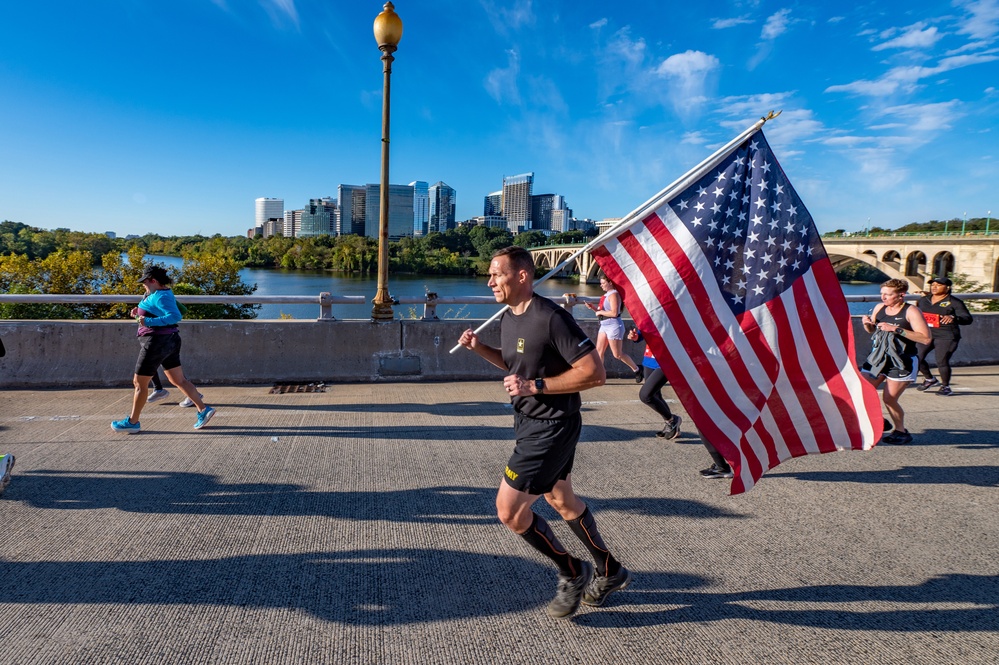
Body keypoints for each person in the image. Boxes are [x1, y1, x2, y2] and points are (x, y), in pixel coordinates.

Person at [458, 246, 631, 618]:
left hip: (552, 427)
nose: (490, 281)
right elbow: (516, 363)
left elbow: (595, 373)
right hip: (528, 421)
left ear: (521, 276)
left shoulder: (551, 318)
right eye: (489, 275)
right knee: (562, 501)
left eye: (497, 274)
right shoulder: (508, 315)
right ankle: (610, 569)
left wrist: (535, 387)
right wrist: (480, 348)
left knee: (509, 511)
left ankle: (572, 571)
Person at [112, 265, 216, 434]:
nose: (143, 286)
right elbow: (158, 311)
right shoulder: (161, 294)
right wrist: (138, 312)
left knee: (139, 384)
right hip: (168, 341)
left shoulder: (160, 295)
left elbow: (175, 316)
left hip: (156, 342)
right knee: (178, 380)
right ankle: (203, 410)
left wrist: (148, 322)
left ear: (153, 281)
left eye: (145, 283)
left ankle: (133, 422)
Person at [860, 278, 931, 445]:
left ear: (901, 295)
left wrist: (896, 329)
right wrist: (867, 324)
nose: (883, 298)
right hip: (878, 358)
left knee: (889, 399)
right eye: (882, 294)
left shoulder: (911, 311)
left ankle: (901, 431)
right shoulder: (880, 308)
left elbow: (925, 338)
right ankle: (877, 420)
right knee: (861, 392)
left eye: (888, 294)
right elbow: (873, 331)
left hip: (901, 361)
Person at [915, 276, 973, 397]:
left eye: (938, 285)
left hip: (947, 336)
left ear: (947, 288)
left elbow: (968, 319)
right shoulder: (924, 300)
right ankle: (930, 379)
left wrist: (954, 318)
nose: (934, 287)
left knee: (941, 361)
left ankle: (945, 387)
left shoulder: (954, 302)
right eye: (932, 285)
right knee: (916, 358)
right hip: (927, 334)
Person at [626, 327, 681, 439]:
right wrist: (636, 336)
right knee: (655, 395)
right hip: (649, 359)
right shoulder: (651, 313)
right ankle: (671, 425)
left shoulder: (673, 313)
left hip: (666, 360)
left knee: (645, 395)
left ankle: (671, 420)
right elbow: (644, 329)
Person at [585, 274, 642, 383]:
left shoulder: (614, 295)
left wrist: (600, 311)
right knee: (599, 352)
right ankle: (600, 376)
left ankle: (637, 369)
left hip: (614, 326)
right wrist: (593, 308)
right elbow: (602, 313)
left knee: (617, 354)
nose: (601, 285)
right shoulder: (606, 295)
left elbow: (614, 313)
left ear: (610, 282)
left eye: (603, 283)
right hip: (604, 325)